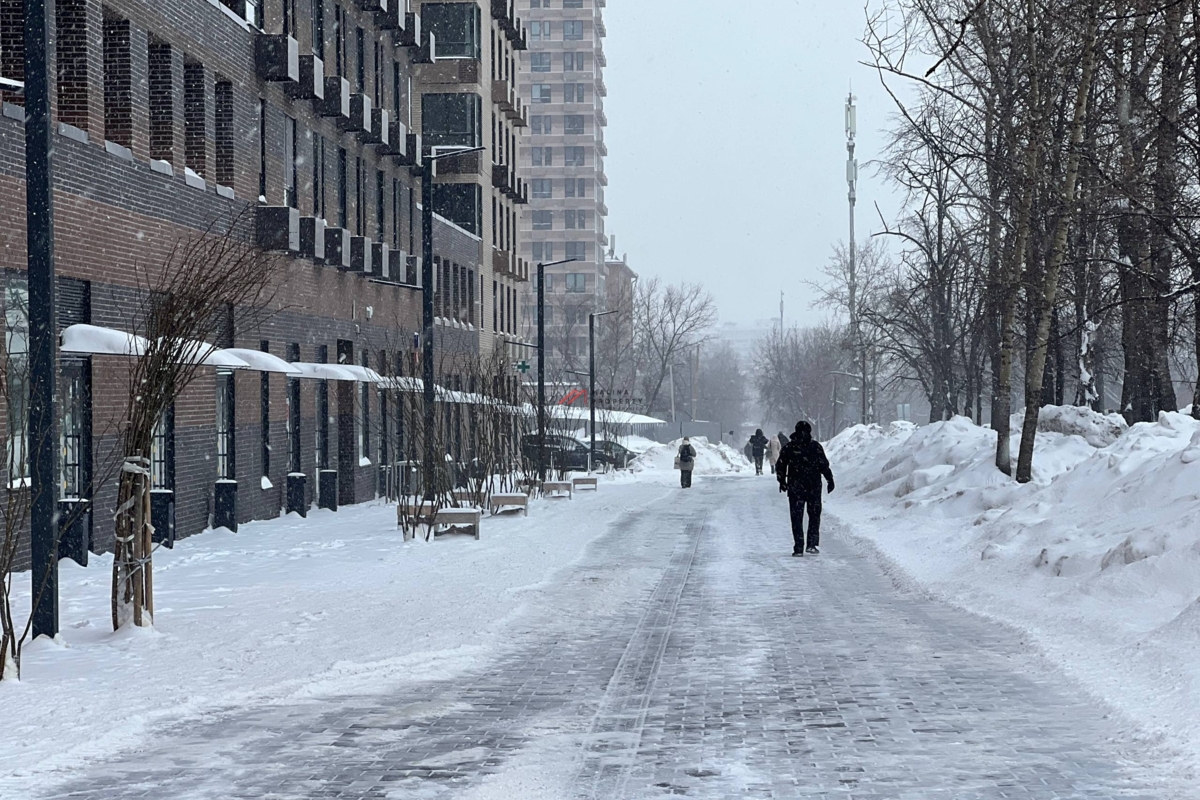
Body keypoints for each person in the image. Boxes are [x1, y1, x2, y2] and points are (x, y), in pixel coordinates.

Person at [776, 421, 835, 556]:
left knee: (796, 517)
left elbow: (781, 465)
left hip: (795, 487)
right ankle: (811, 544)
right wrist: (829, 479)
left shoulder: (789, 447)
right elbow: (824, 465)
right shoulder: (815, 447)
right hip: (813, 486)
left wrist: (782, 481)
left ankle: (798, 547)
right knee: (814, 515)